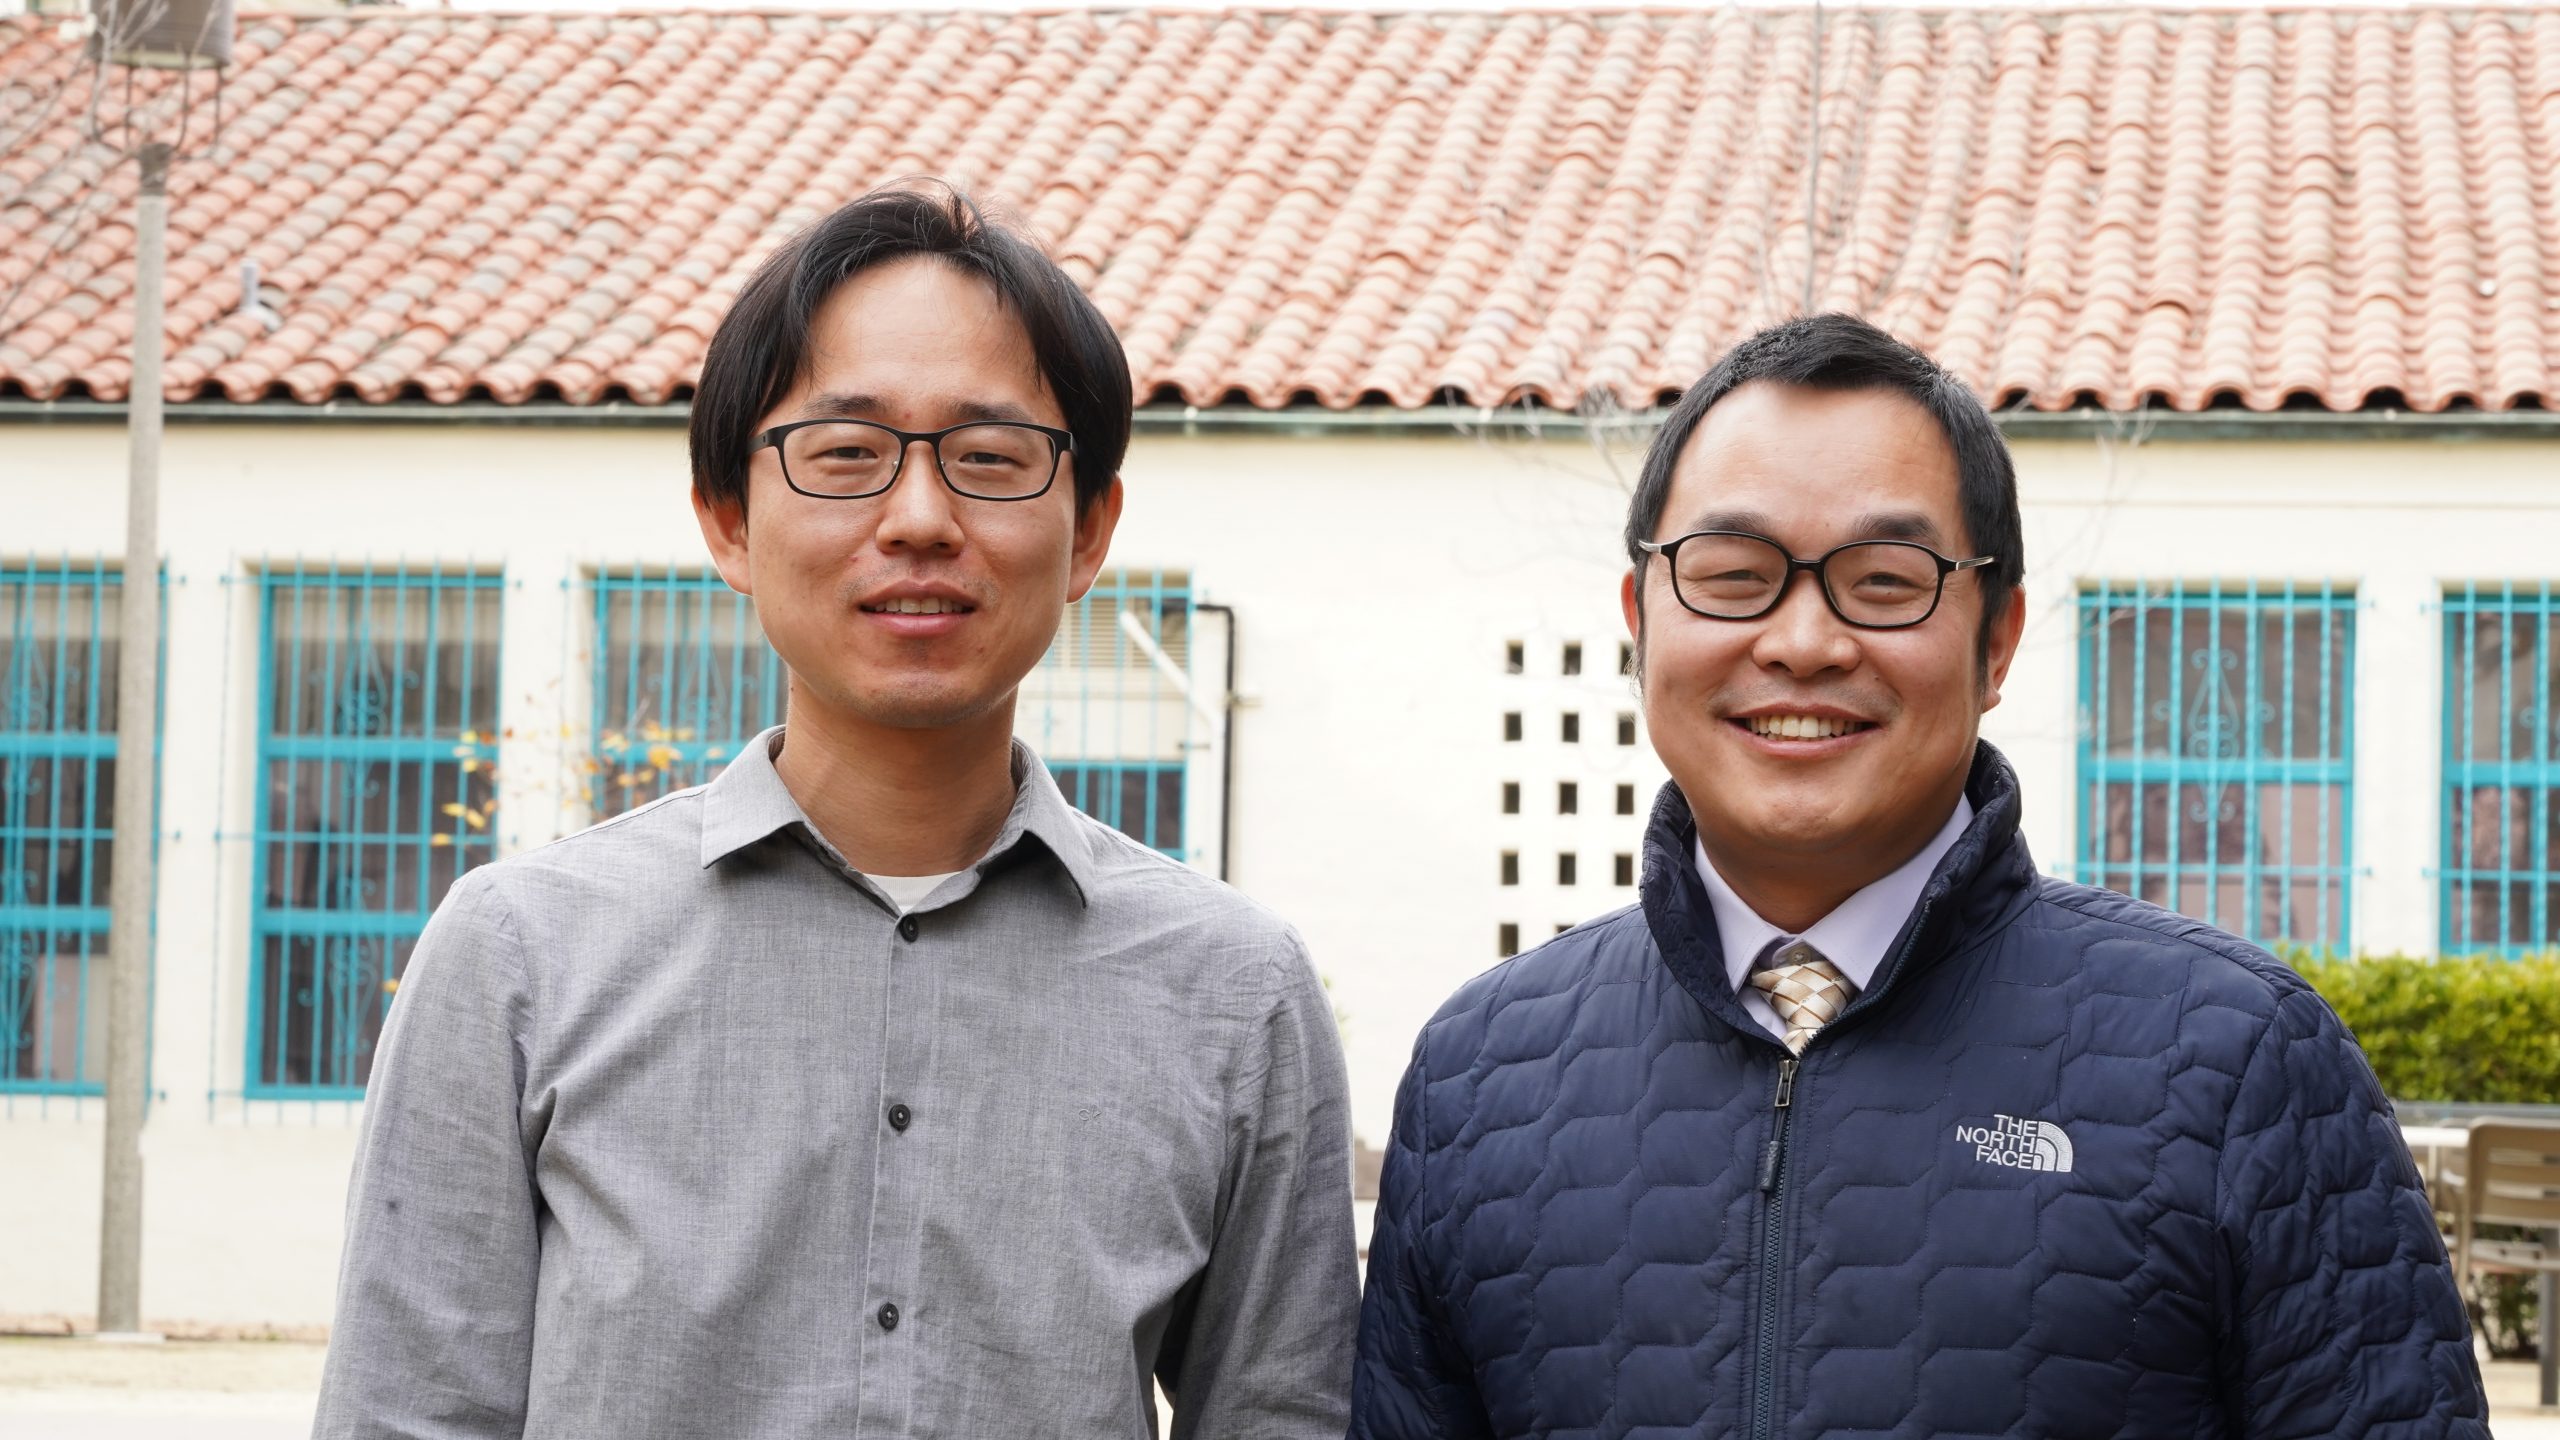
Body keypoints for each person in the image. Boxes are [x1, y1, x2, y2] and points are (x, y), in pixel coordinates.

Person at [313, 183, 1358, 1439]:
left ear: (1087, 533)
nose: (919, 520)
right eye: (845, 454)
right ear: (727, 519)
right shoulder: (517, 958)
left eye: (988, 457)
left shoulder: (1235, 993)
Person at [1348, 313, 2488, 1438]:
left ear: (1996, 643)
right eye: (1733, 574)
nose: (1802, 641)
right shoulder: (1481, 1078)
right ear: (1639, 620)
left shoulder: (2239, 1061)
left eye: (1885, 582)